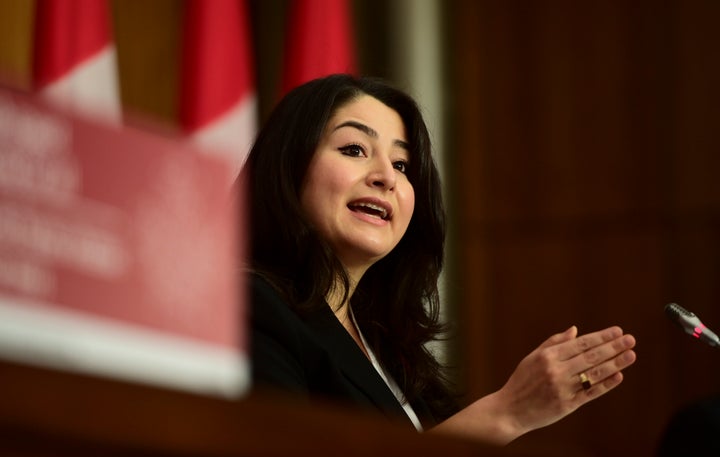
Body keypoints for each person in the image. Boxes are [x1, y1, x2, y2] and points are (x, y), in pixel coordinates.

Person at [239, 74, 637, 445]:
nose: (386, 177)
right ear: (288, 168)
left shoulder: (390, 347)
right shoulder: (251, 307)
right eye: (354, 149)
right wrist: (504, 415)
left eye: (402, 165)